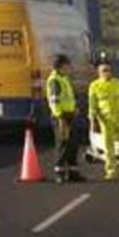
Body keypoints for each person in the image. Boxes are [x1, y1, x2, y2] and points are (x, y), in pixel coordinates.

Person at [88, 59, 119, 183]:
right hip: (105, 120)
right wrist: (93, 121)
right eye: (104, 70)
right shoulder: (95, 86)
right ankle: (111, 170)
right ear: (99, 72)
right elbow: (92, 105)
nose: (107, 73)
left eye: (108, 70)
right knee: (108, 147)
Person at [46, 54, 84, 183]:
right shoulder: (54, 80)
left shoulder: (64, 78)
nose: (69, 67)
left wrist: (74, 108)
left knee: (73, 144)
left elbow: (68, 97)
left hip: (70, 114)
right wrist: (60, 117)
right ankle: (60, 173)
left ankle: (73, 173)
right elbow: (54, 101)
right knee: (63, 144)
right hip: (61, 117)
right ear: (61, 66)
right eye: (67, 65)